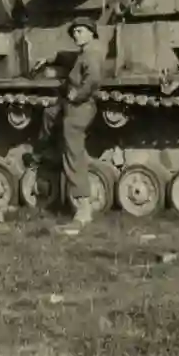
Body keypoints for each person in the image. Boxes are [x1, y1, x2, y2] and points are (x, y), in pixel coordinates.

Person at [41, 17, 105, 225]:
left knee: (73, 151)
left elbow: (93, 79)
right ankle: (46, 150)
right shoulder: (85, 53)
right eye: (75, 31)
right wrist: (51, 59)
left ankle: (83, 206)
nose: (76, 34)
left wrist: (77, 95)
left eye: (80, 31)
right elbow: (71, 58)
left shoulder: (92, 54)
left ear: (91, 33)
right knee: (50, 113)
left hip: (80, 108)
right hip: (72, 105)